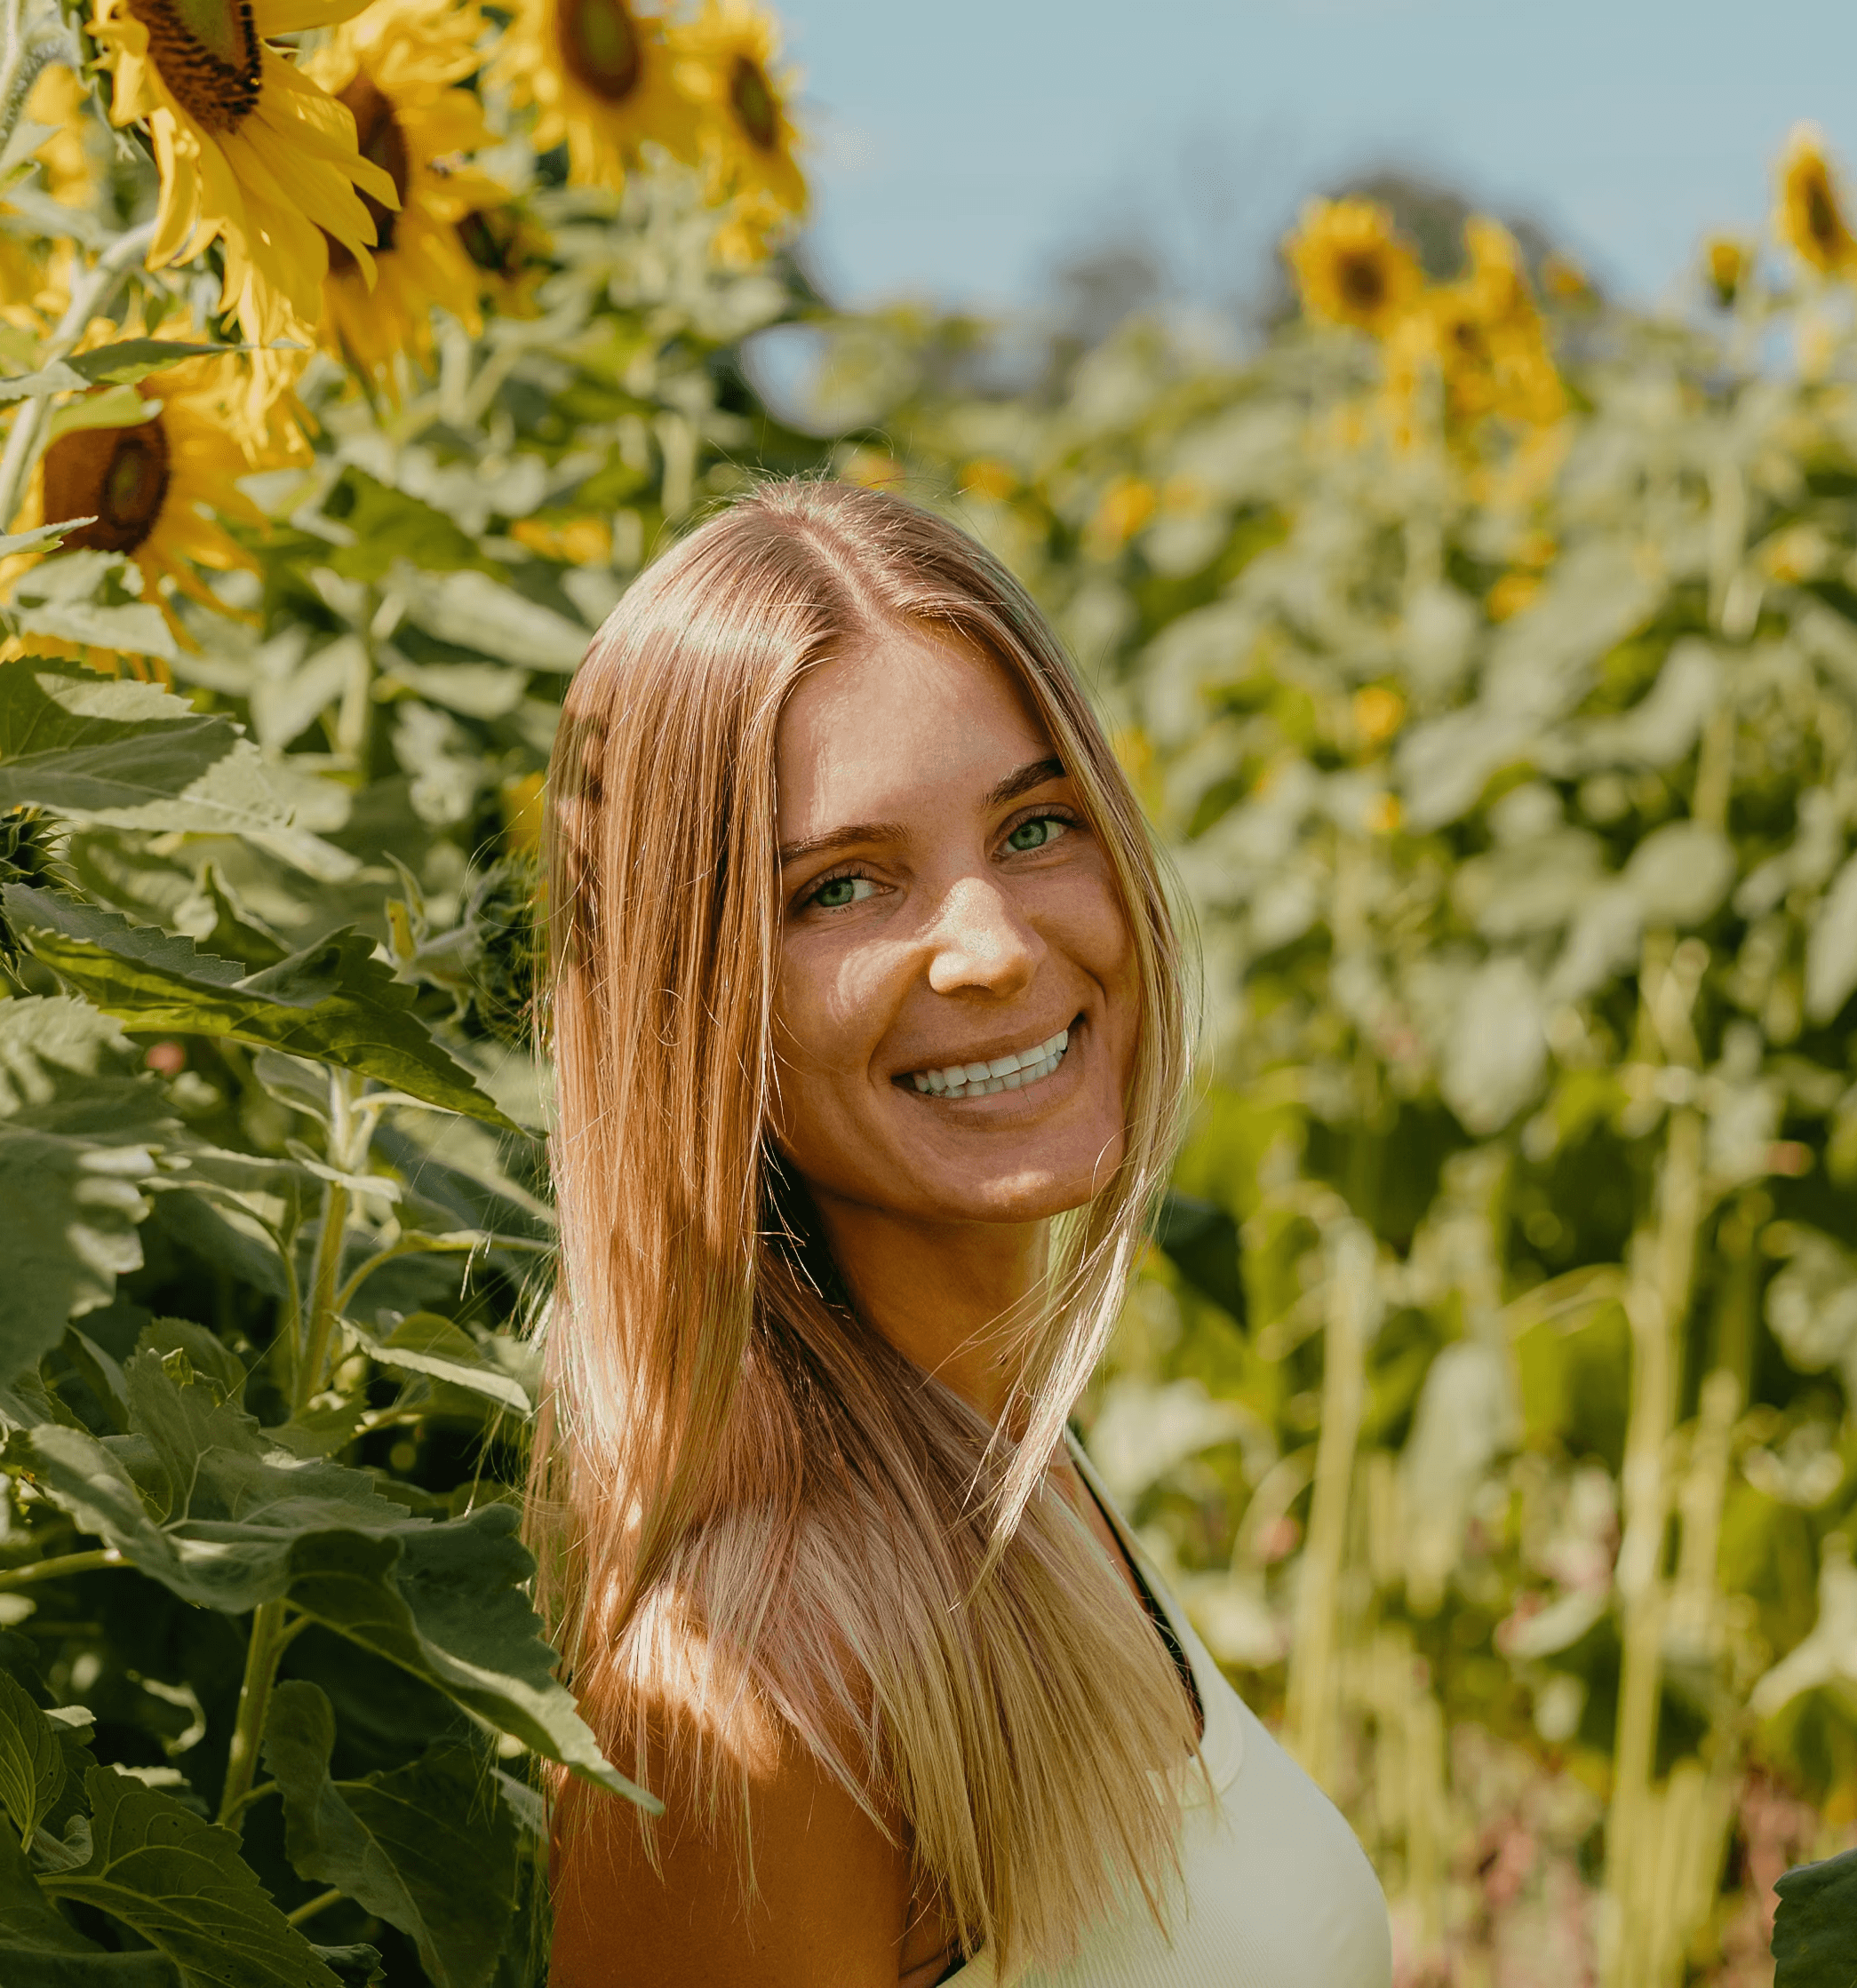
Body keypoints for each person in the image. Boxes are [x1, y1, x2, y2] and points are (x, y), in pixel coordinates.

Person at [531, 479, 1391, 1986]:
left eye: (1036, 823)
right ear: (693, 1000)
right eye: (842, 887)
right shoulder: (752, 1692)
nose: (993, 947)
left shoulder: (1009, 1454)